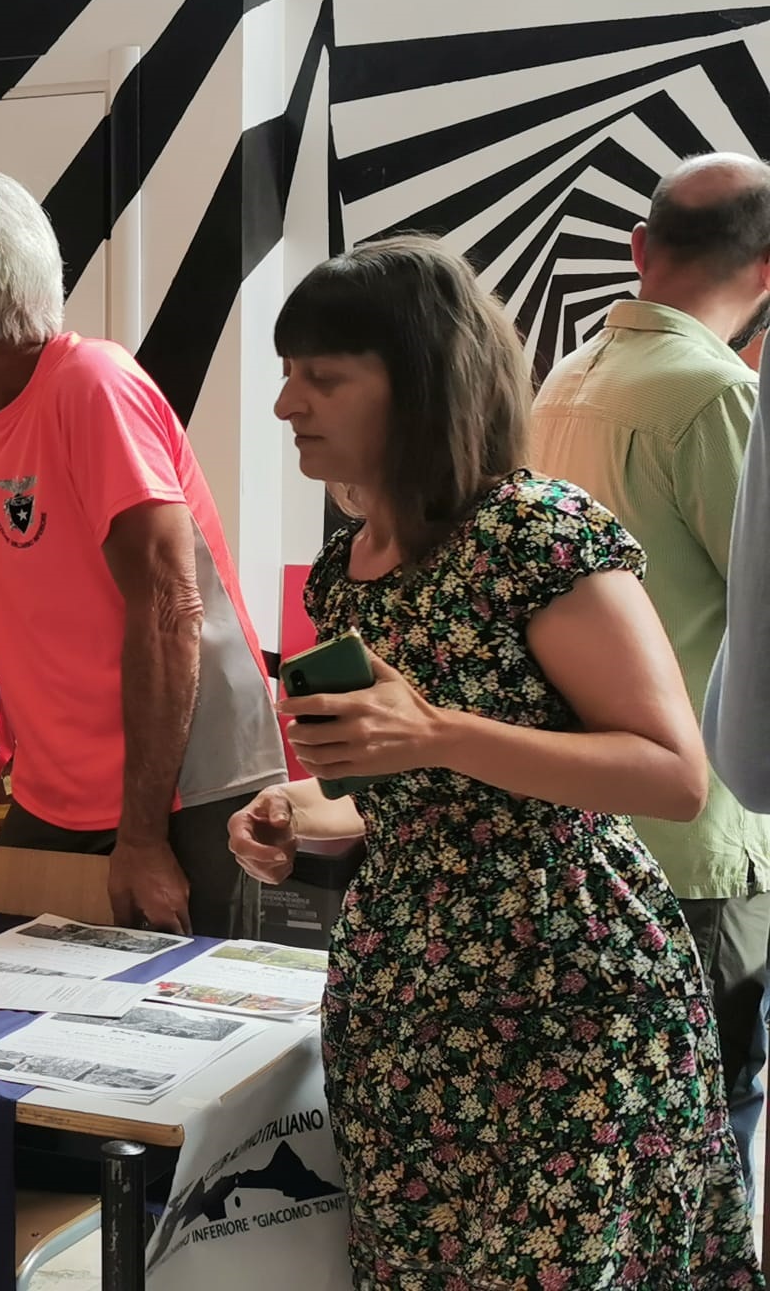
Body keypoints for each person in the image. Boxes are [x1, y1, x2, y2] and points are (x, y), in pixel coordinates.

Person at [230, 235, 760, 1285]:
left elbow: (670, 770)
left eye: (323, 377)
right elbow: (399, 801)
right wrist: (296, 812)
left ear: (421, 383)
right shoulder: (347, 572)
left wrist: (435, 732)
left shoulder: (537, 535)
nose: (288, 405)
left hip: (567, 998)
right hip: (405, 1003)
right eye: (288, 375)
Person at [0, 168, 284, 935]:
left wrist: (144, 835)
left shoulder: (93, 387)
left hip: (186, 795)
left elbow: (168, 612)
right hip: (62, 795)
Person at [530, 151, 770, 1194]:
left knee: (612, 1144)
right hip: (693, 838)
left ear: (639, 249)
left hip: (582, 825)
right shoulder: (717, 394)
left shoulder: (569, 380)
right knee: (709, 1141)